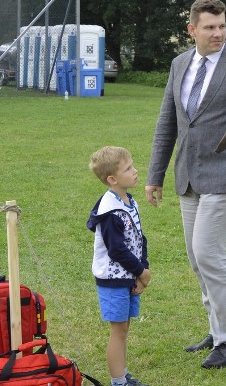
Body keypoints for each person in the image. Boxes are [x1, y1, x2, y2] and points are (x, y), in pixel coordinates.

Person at [145, 0, 226, 370]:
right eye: (210, 27)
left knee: (208, 254)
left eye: (222, 26)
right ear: (192, 30)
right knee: (197, 259)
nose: (218, 33)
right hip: (188, 176)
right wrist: (155, 175)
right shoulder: (179, 63)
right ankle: (215, 331)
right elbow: (168, 122)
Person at [87, 146, 151, 386]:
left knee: (124, 328)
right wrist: (141, 272)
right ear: (112, 179)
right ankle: (118, 382)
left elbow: (138, 238)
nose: (135, 171)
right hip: (113, 279)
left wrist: (142, 269)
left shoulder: (127, 200)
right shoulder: (110, 211)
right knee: (118, 330)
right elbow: (117, 250)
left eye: (132, 165)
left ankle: (122, 376)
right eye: (128, 169)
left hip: (128, 275)